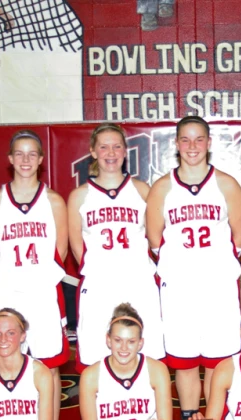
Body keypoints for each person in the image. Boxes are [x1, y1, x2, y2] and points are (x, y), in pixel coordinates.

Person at [146, 115, 241, 420]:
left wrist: (211, 267)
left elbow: (239, 237)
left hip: (217, 289)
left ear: (209, 143)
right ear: (176, 144)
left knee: (218, 362)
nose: (192, 146)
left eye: (199, 139)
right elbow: (154, 239)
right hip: (179, 290)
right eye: (186, 140)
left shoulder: (226, 185)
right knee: (185, 362)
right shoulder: (162, 188)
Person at [0, 129, 69, 420]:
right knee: (3, 364)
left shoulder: (55, 201)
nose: (25, 159)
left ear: (41, 160)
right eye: (19, 153)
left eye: (32, 154)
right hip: (7, 294)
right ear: (10, 159)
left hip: (43, 295)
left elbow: (61, 250)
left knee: (49, 367)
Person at [67, 123, 165, 372]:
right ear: (93, 151)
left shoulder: (142, 190)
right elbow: (77, 248)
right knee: (96, 355)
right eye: (104, 147)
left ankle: (148, 409)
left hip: (138, 281)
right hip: (100, 284)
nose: (110, 153)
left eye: (116, 146)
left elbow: (155, 236)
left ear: (125, 151)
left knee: (148, 351)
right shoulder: (79, 196)